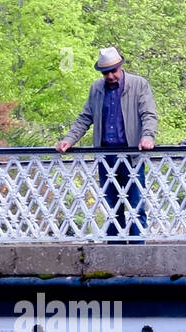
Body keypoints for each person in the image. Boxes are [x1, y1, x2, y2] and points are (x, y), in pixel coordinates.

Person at [57, 47, 158, 240]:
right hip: (105, 156)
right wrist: (68, 140)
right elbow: (85, 118)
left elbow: (148, 114)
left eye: (113, 71)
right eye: (105, 72)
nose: (110, 76)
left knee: (136, 205)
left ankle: (138, 248)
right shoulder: (96, 88)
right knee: (111, 207)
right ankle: (114, 247)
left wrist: (148, 136)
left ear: (121, 66)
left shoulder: (138, 84)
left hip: (131, 155)